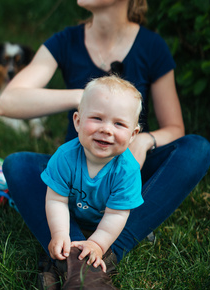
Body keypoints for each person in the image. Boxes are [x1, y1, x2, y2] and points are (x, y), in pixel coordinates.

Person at [0, 0, 210, 289]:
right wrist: (84, 97)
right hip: (72, 173)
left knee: (198, 149)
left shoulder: (151, 46)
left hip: (127, 169)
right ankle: (73, 255)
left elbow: (175, 126)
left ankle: (105, 252)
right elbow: (10, 102)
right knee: (18, 164)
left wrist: (144, 140)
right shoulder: (65, 41)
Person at [41, 75, 144, 274]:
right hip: (74, 216)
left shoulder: (127, 170)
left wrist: (97, 243)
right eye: (97, 118)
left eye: (119, 124)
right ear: (78, 122)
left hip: (109, 220)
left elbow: (116, 214)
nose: (106, 129)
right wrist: (60, 233)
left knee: (125, 216)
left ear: (133, 135)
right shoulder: (64, 157)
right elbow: (56, 201)